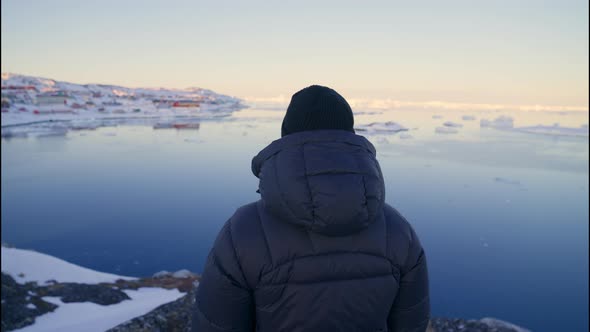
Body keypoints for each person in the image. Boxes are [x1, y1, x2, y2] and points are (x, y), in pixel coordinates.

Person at [192, 85, 430, 332]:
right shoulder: (398, 230)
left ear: (287, 138)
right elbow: (412, 324)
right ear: (350, 135)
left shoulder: (243, 231)